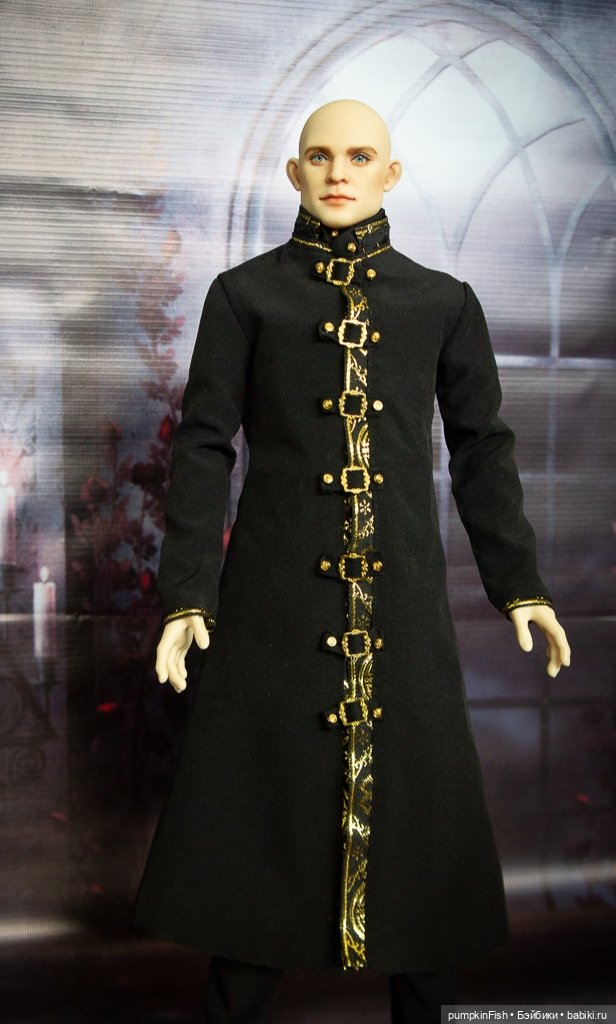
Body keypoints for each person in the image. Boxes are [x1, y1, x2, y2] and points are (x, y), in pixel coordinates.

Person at [134, 99, 571, 1023]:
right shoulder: (244, 296)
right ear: (295, 172)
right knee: (263, 818)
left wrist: (519, 585)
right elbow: (203, 446)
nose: (340, 172)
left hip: (402, 608)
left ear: (391, 173)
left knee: (421, 831)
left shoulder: (442, 303)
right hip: (272, 609)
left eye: (361, 155)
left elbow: (483, 447)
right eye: (322, 156)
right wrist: (187, 596)